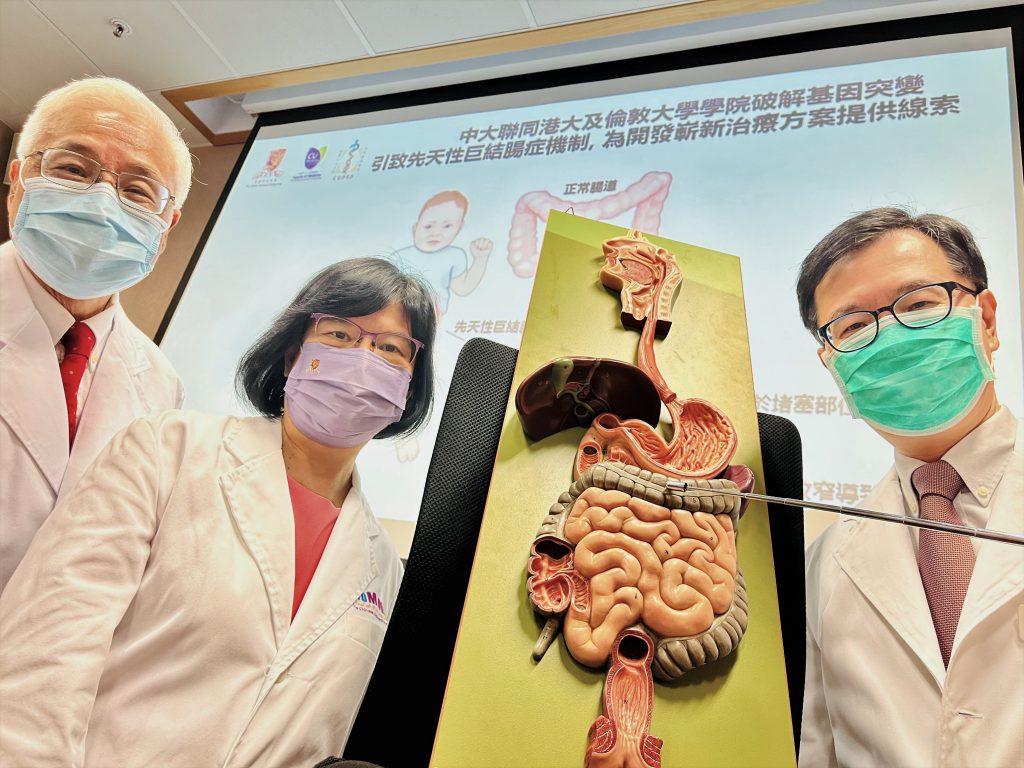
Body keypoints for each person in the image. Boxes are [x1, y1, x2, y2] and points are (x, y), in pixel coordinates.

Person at [0, 258, 436, 767]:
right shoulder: (168, 450)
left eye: (390, 350)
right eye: (340, 335)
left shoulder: (381, 566)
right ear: (295, 353)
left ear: (408, 387)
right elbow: (44, 658)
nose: (364, 360)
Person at [796, 208, 1022, 767]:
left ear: (986, 321)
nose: (890, 338)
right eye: (852, 327)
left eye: (920, 304)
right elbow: (817, 749)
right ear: (833, 368)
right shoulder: (828, 559)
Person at [0, 77, 192, 589]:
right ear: (17, 179)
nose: (103, 200)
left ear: (166, 225)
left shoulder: (160, 383)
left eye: (136, 190)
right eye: (72, 169)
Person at [389, 189, 492, 313]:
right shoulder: (398, 256)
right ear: (415, 228)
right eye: (428, 226)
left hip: (433, 321)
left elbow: (463, 288)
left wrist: (480, 258)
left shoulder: (455, 255)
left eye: (447, 226)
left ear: (459, 228)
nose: (436, 233)